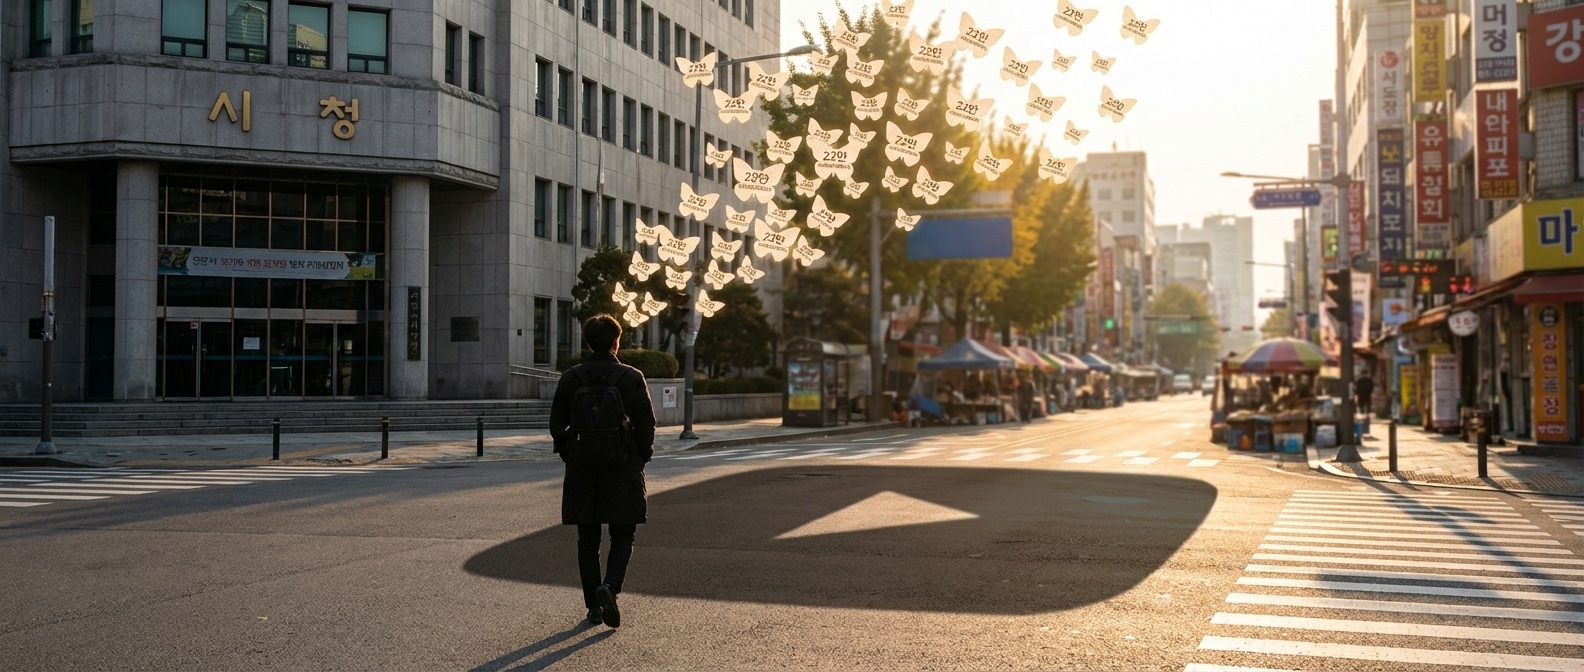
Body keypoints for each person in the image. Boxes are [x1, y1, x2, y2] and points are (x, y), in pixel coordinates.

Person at [550, 314, 657, 629]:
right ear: (616, 341)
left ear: (587, 342)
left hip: (583, 468)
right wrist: (640, 458)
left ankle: (594, 609)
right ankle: (609, 587)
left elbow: (557, 425)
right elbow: (646, 425)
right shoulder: (631, 377)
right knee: (623, 532)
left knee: (587, 538)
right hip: (623, 467)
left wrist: (571, 454)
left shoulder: (571, 378)